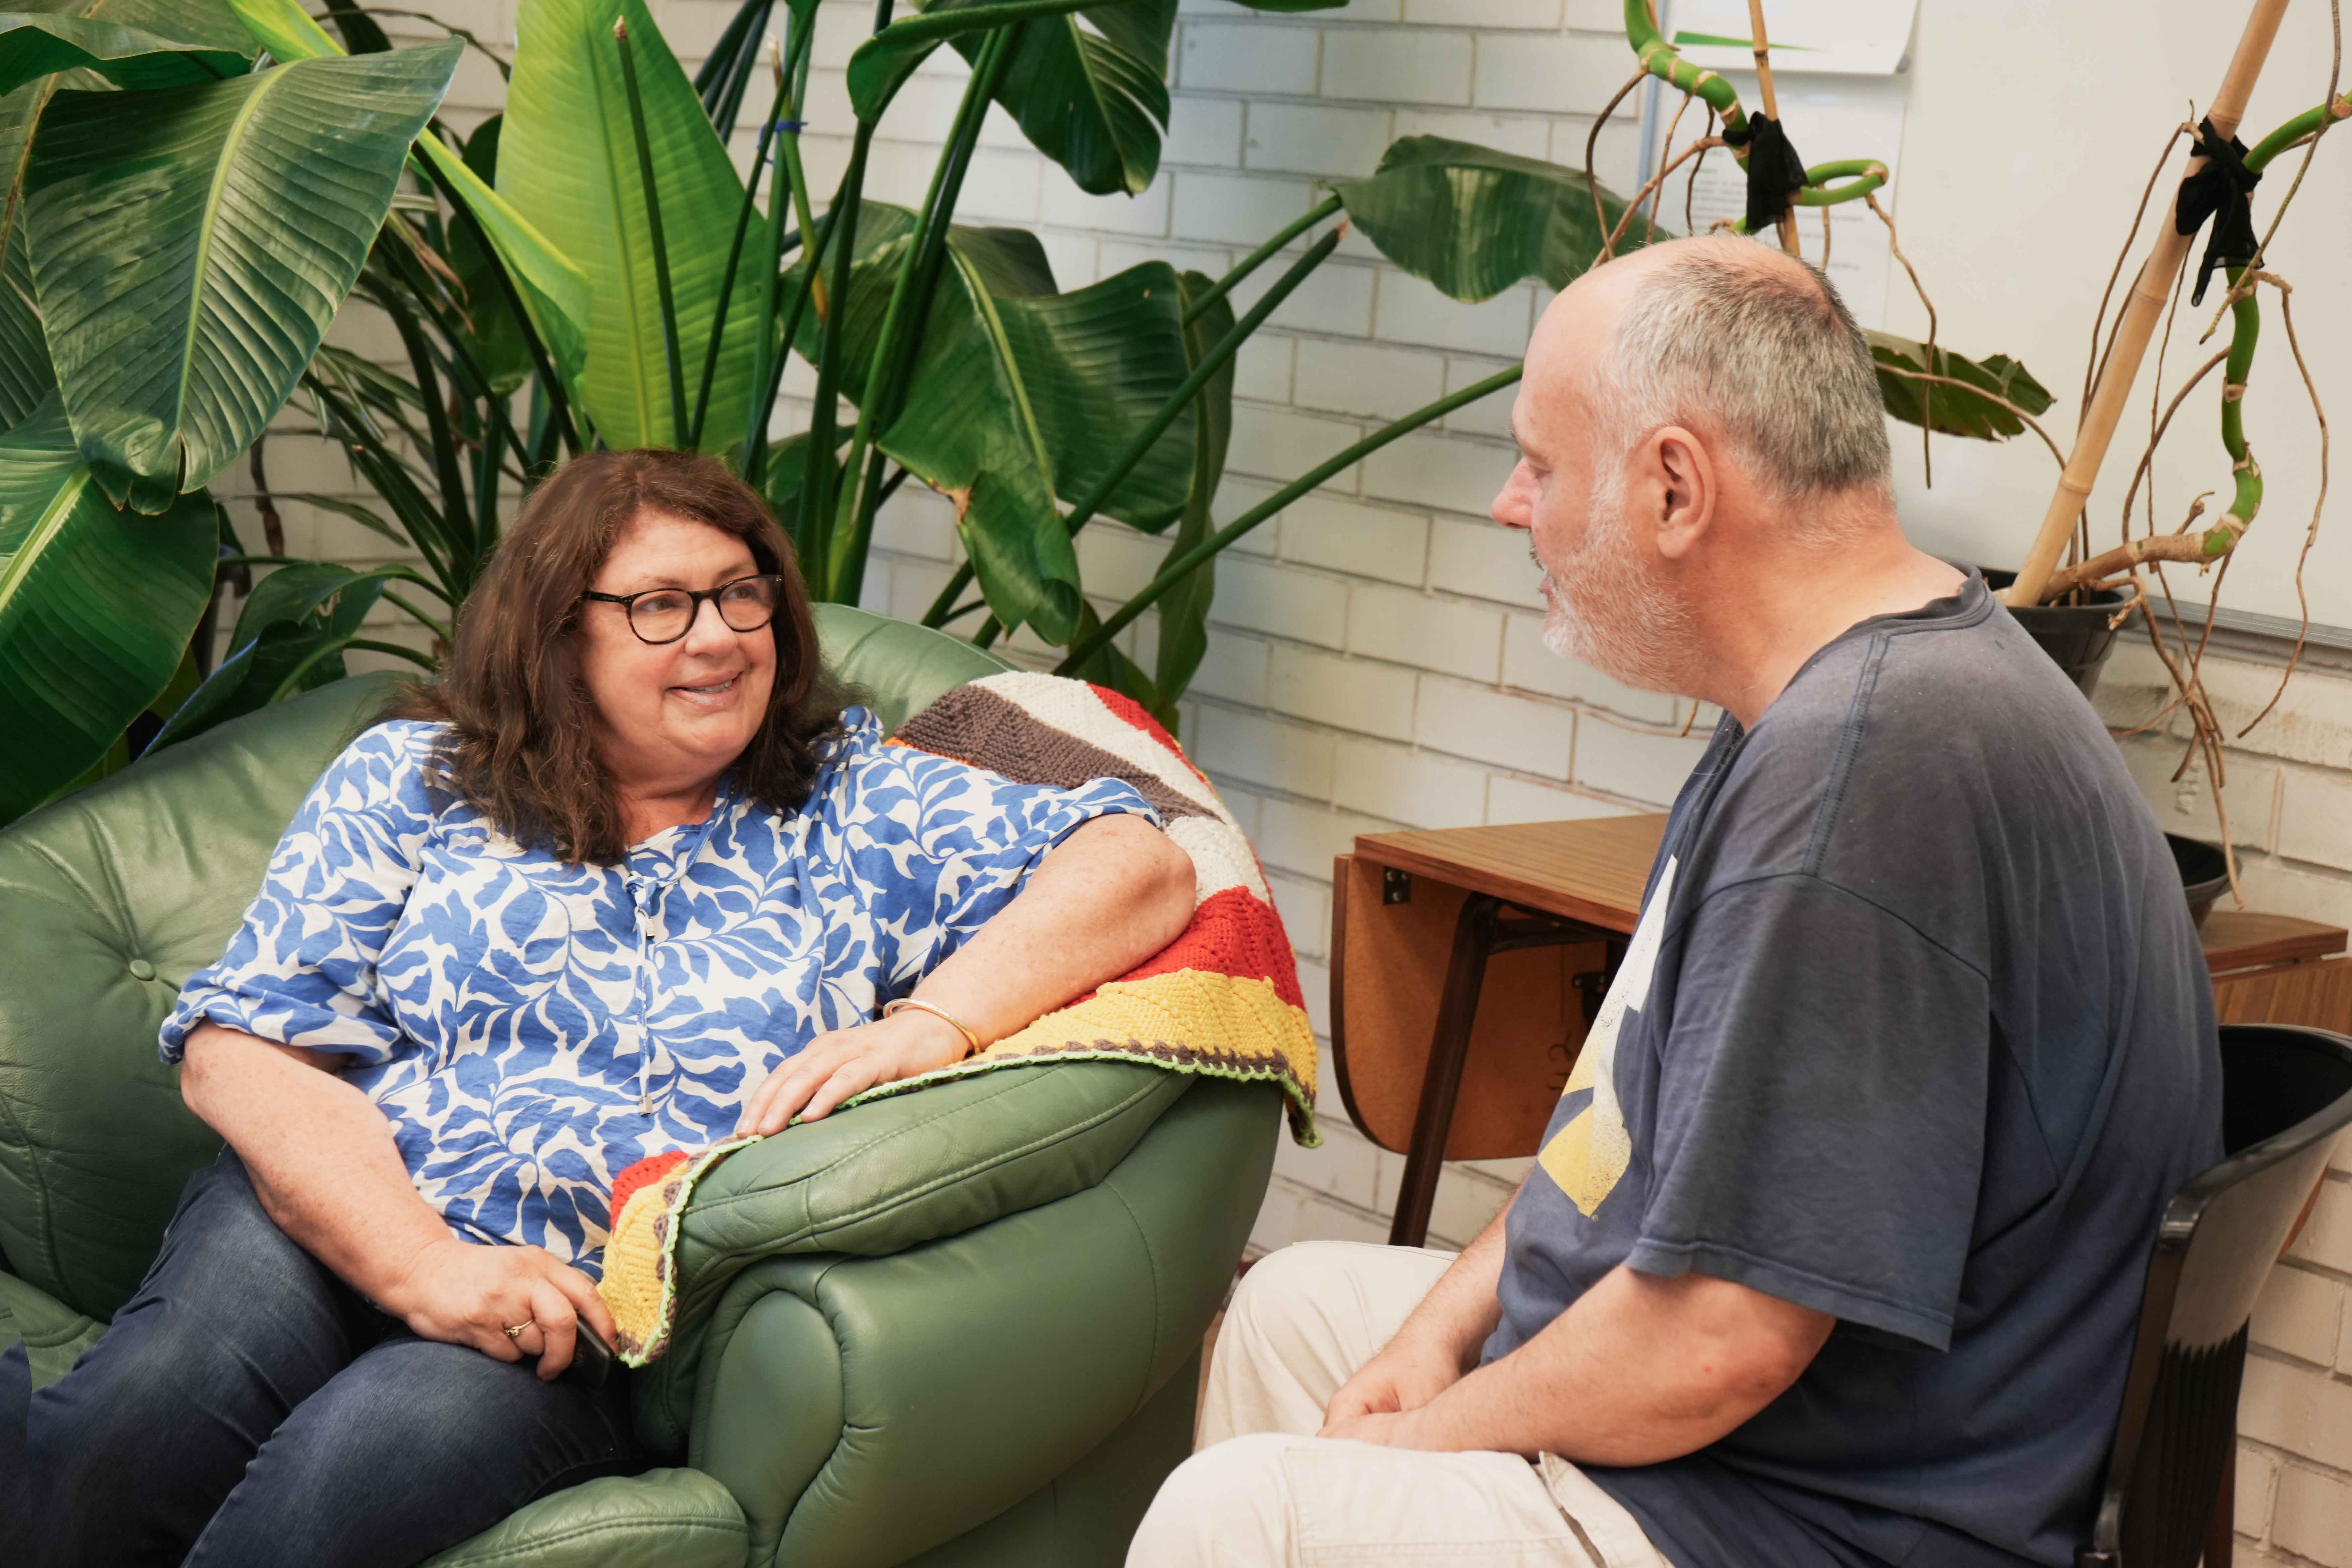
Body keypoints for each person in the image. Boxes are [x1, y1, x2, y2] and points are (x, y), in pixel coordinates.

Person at [1127, 236, 2221, 1568]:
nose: (1508, 503)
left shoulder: (1863, 783)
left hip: (1812, 1518)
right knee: (1300, 1312)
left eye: (1540, 461)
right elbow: (1613, 1146)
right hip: (1802, 1445)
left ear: (1673, 488)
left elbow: (1718, 1343)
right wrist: (1438, 1338)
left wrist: (1427, 1438)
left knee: (1238, 1510)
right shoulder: (1836, 697)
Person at [2, 449, 1197, 1568]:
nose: (722, 638)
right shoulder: (418, 780)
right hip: (333, 1206)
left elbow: (1138, 864)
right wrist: (418, 1260)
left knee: (350, 1477)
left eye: (744, 595)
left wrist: (930, 1024)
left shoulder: (852, 802)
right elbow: (238, 1051)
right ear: (557, 635)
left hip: (574, 1313)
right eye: (661, 606)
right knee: (140, 1422)